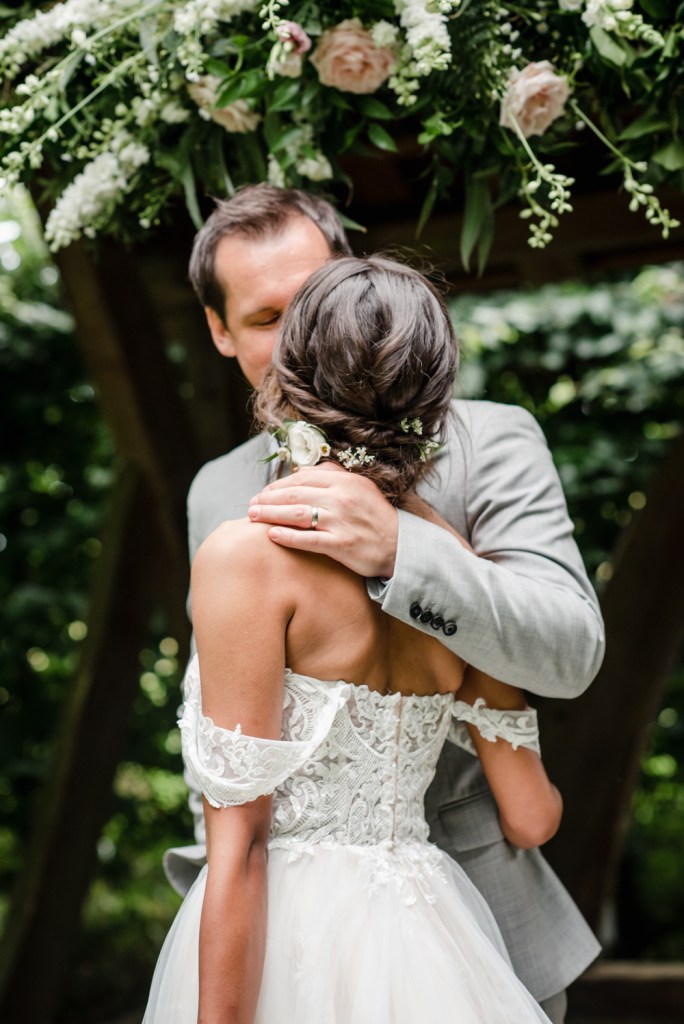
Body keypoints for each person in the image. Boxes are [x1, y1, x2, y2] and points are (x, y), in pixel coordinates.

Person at [164, 185, 603, 1022]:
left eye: (315, 300)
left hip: (487, 930)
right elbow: (233, 718)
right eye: (266, 318)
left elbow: (573, 649)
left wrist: (407, 551)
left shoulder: (495, 439)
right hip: (273, 930)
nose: (304, 332)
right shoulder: (216, 491)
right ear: (220, 333)